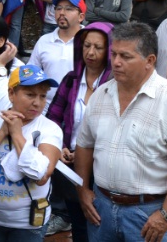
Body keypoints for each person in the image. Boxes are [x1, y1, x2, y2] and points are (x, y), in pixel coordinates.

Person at [75, 22, 167, 242]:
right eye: (114, 54)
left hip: (150, 213)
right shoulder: (101, 94)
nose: (115, 62)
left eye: (125, 57)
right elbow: (85, 144)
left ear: (150, 61)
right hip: (101, 209)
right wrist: (82, 190)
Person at [0, 65, 63, 241]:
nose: (37, 102)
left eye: (43, 96)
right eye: (30, 95)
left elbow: (42, 175)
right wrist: (1, 132)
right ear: (11, 94)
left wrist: (16, 133)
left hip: (27, 225)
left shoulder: (49, 129)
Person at [46, 22, 114, 242]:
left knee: (100, 220)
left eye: (98, 47)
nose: (91, 52)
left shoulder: (115, 83)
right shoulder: (72, 79)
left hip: (103, 162)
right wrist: (59, 145)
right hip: (69, 161)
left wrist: (86, 152)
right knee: (78, 219)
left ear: (110, 50)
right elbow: (53, 118)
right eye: (86, 46)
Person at [28, 0, 86, 109]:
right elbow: (31, 71)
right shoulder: (44, 41)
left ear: (81, 17)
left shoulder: (89, 41)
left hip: (79, 107)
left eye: (69, 9)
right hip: (46, 108)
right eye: (58, 8)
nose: (62, 13)